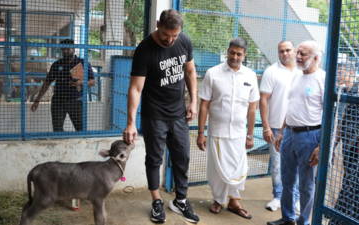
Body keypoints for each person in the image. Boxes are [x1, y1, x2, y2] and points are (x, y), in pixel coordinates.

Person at [122, 9, 199, 223]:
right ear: (158, 24)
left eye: (175, 35)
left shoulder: (184, 42)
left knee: (182, 156)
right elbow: (136, 88)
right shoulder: (145, 50)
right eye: (167, 35)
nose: (171, 40)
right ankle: (156, 201)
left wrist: (193, 100)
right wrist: (130, 123)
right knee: (154, 159)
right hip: (154, 115)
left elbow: (190, 72)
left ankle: (181, 200)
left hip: (179, 114)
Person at [196, 37, 259, 219]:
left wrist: (250, 135)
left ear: (244, 55)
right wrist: (201, 133)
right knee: (217, 171)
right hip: (217, 132)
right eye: (232, 52)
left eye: (239, 54)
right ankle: (218, 200)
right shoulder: (213, 73)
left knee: (238, 169)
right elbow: (204, 105)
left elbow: (252, 108)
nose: (235, 57)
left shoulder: (250, 76)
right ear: (227, 51)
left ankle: (234, 202)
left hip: (239, 134)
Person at [267, 40, 325, 225]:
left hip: (310, 136)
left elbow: (330, 116)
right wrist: (283, 132)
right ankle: (287, 218)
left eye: (303, 54)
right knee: (287, 179)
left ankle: (303, 222)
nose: (298, 57)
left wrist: (320, 145)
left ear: (315, 58)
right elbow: (291, 107)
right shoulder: (297, 76)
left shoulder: (323, 79)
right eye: (298, 52)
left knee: (306, 185)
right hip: (290, 134)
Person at [260, 41, 300, 213]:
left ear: (295, 51)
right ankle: (277, 196)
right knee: (277, 164)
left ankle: (295, 199)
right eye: (281, 51)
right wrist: (266, 127)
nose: (284, 53)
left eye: (288, 50)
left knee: (297, 165)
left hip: (298, 126)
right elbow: (263, 100)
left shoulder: (302, 71)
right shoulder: (271, 71)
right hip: (276, 127)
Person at [31, 39, 96, 132]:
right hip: (58, 101)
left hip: (76, 101)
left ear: (73, 49)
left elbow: (93, 82)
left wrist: (81, 83)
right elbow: (47, 83)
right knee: (57, 130)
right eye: (63, 50)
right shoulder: (57, 65)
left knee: (81, 130)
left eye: (67, 49)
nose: (65, 51)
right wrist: (37, 100)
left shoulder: (82, 63)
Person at [329, 61, 359, 225]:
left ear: (351, 73)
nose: (337, 76)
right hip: (348, 145)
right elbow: (341, 120)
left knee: (354, 185)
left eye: (340, 72)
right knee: (347, 182)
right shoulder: (343, 92)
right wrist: (333, 145)